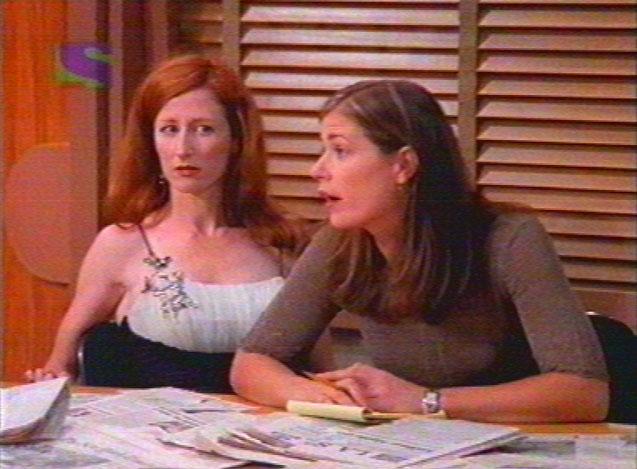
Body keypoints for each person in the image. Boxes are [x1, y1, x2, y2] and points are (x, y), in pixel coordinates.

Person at [231, 80, 610, 422]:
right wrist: (317, 396)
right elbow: (252, 362)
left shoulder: (509, 238)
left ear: (404, 165)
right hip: (411, 445)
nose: (318, 169)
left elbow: (584, 392)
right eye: (323, 150)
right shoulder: (340, 242)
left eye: (340, 151)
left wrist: (427, 401)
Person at [25, 54, 326, 392]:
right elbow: (61, 366)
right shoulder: (122, 244)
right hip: (149, 421)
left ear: (236, 142)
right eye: (169, 130)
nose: (183, 148)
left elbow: (320, 366)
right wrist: (46, 384)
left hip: (267, 420)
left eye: (204, 130)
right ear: (151, 142)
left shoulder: (283, 242)